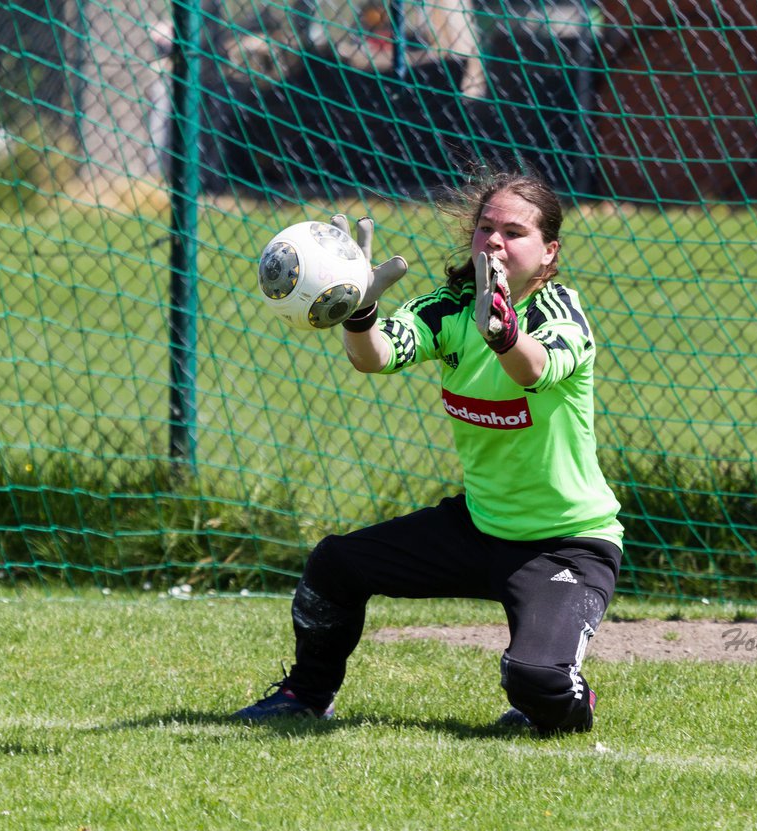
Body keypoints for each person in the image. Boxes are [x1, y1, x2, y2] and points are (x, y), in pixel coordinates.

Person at [235, 172, 623, 734]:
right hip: (480, 526)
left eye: (513, 232)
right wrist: (360, 311)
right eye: (485, 227)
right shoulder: (449, 309)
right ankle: (306, 695)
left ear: (548, 252)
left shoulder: (561, 312)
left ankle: (567, 694)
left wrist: (506, 334)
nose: (494, 240)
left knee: (536, 683)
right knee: (335, 565)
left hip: (566, 543)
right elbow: (375, 357)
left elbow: (536, 369)